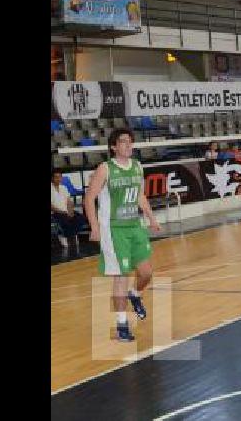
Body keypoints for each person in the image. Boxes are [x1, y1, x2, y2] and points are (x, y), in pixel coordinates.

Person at [85, 128, 163, 342]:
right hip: (113, 229)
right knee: (121, 277)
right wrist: (95, 227)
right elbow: (89, 198)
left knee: (146, 273)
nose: (129, 145)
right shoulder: (105, 169)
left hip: (134, 226)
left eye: (130, 142)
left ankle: (135, 295)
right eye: (123, 142)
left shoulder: (138, 166)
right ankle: (122, 326)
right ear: (113, 147)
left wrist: (151, 218)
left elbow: (140, 196)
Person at [51, 171, 88, 259]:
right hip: (55, 212)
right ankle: (64, 235)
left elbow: (69, 201)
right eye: (56, 177)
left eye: (60, 177)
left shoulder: (63, 187)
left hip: (66, 211)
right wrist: (62, 212)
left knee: (80, 218)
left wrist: (70, 211)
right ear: (52, 178)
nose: (58, 179)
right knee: (64, 219)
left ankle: (71, 233)